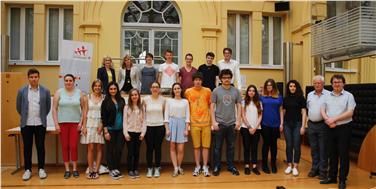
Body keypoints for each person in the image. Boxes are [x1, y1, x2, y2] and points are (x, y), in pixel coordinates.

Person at [320, 75, 356, 189]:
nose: (337, 84)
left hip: (344, 128)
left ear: (343, 84)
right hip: (329, 127)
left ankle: (342, 180)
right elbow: (322, 109)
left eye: (339, 82)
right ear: (332, 84)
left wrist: (334, 119)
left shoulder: (349, 96)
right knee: (332, 154)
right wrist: (327, 120)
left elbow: (350, 113)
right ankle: (332, 177)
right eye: (335, 82)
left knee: (343, 155)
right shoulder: (326, 96)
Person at [16, 68, 51, 181]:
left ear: (39, 77)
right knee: (27, 147)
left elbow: (47, 107)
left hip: (40, 124)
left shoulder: (45, 91)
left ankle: (41, 169)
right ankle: (28, 170)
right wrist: (25, 116)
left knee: (40, 147)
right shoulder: (22, 91)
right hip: (26, 124)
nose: (33, 79)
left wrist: (42, 117)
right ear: (28, 78)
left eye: (35, 77)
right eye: (31, 77)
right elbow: (18, 107)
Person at [52, 74, 86, 179]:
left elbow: (84, 109)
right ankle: (67, 170)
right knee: (65, 146)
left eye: (70, 80)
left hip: (75, 123)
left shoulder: (79, 93)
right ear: (64, 81)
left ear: (74, 81)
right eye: (66, 80)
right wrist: (56, 123)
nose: (68, 82)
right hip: (62, 123)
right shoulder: (59, 92)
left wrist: (81, 122)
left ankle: (75, 169)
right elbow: (54, 109)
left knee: (73, 146)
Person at [211, 69, 242, 176]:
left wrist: (238, 121)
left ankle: (230, 166)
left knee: (231, 147)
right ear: (221, 79)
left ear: (231, 78)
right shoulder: (216, 91)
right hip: (219, 123)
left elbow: (239, 106)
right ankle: (216, 166)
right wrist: (213, 122)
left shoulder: (236, 91)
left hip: (232, 123)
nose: (226, 79)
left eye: (228, 77)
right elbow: (212, 107)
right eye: (224, 77)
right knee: (217, 147)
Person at [185, 72, 212, 177]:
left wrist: (212, 121)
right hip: (194, 123)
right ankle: (197, 166)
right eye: (196, 80)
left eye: (199, 80)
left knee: (206, 146)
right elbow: (186, 107)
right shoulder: (188, 92)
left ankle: (205, 166)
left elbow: (210, 106)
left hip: (206, 123)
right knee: (196, 147)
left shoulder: (208, 91)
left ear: (202, 81)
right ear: (193, 81)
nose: (198, 81)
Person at [101, 81, 126, 180]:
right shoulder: (105, 101)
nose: (113, 90)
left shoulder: (122, 100)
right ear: (108, 90)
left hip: (120, 129)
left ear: (117, 90)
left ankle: (116, 168)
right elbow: (103, 117)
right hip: (110, 129)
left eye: (114, 89)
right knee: (110, 150)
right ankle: (111, 169)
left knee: (119, 149)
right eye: (111, 89)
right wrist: (106, 131)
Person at [306, 75, 330, 180]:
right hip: (311, 124)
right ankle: (314, 169)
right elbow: (308, 108)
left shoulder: (329, 95)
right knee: (314, 149)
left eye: (319, 83)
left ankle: (323, 171)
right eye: (315, 83)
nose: (317, 85)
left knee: (323, 149)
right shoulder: (310, 94)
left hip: (323, 125)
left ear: (323, 84)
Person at [80, 80, 105, 179]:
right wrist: (84, 126)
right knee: (90, 148)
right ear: (93, 87)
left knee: (99, 148)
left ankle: (96, 170)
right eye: (96, 86)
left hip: (99, 124)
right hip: (89, 124)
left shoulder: (104, 98)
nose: (97, 88)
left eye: (99, 86)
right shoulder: (87, 97)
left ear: (101, 87)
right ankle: (90, 170)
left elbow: (105, 113)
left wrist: (102, 125)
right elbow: (84, 112)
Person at [164, 83, 190, 177]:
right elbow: (166, 116)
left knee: (181, 149)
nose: (177, 90)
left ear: (181, 89)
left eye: (178, 88)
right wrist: (167, 128)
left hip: (182, 124)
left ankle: (179, 166)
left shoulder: (185, 101)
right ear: (173, 90)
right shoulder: (169, 101)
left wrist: (186, 129)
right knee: (172, 148)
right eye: (175, 89)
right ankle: (175, 168)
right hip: (172, 124)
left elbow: (187, 117)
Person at [282, 80, 307, 176]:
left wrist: (303, 126)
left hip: (297, 124)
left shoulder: (301, 98)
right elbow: (283, 112)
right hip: (287, 124)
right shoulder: (286, 98)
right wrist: (281, 123)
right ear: (288, 88)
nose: (292, 88)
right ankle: (289, 165)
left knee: (296, 145)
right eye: (290, 86)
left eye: (294, 86)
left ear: (297, 87)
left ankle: (295, 166)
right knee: (289, 145)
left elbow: (304, 112)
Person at [260, 79, 283, 174]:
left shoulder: (279, 97)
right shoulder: (262, 97)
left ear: (273, 86)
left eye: (271, 85)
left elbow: (281, 111)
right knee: (266, 145)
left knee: (274, 145)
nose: (269, 87)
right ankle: (264, 165)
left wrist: (281, 123)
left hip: (275, 124)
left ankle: (273, 164)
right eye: (267, 85)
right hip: (265, 124)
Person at [143, 82, 166, 178]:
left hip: (160, 126)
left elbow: (165, 114)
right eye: (153, 87)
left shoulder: (163, 100)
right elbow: (143, 115)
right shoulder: (145, 100)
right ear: (150, 89)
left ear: (159, 89)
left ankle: (157, 167)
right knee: (149, 148)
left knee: (157, 148)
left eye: (157, 87)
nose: (155, 89)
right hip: (148, 127)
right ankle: (149, 168)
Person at [123, 88, 146, 179]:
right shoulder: (126, 107)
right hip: (130, 132)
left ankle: (135, 169)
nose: (134, 96)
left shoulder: (142, 107)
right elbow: (125, 121)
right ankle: (130, 169)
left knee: (137, 152)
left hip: (139, 133)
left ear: (138, 96)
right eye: (132, 95)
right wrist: (126, 134)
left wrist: (143, 133)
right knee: (130, 152)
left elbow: (144, 121)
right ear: (130, 97)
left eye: (136, 95)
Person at [241, 84, 262, 175]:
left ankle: (254, 166)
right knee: (246, 147)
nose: (251, 92)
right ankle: (246, 166)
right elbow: (243, 115)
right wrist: (249, 127)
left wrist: (255, 127)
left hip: (257, 128)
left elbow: (260, 116)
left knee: (254, 148)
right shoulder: (243, 102)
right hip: (245, 128)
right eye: (250, 91)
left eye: (253, 91)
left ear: (255, 92)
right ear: (247, 92)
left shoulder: (259, 103)